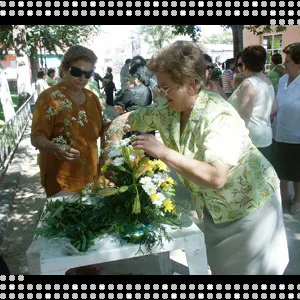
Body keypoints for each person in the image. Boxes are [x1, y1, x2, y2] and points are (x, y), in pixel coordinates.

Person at [105, 41, 289, 275]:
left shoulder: (217, 114)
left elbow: (216, 177)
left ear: (191, 84)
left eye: (166, 87)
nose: (161, 94)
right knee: (222, 268)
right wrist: (110, 157)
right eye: (159, 87)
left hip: (250, 209)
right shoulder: (167, 108)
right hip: (215, 207)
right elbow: (121, 122)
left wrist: (163, 152)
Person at [31, 45, 104, 197]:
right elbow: (36, 138)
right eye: (77, 72)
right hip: (61, 182)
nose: (82, 78)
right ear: (64, 69)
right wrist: (56, 147)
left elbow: (100, 130)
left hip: (91, 177)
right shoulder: (49, 98)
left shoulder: (92, 98)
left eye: (88, 74)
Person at [228, 45, 276, 162]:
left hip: (251, 140)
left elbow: (243, 117)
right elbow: (274, 109)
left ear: (245, 63)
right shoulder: (267, 81)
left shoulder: (249, 83)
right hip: (265, 135)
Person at [272, 42, 300, 214]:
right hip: (279, 133)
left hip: (297, 135)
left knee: (297, 172)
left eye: (288, 61)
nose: (284, 64)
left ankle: (298, 200)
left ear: (298, 63)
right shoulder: (282, 80)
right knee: (281, 171)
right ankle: (284, 198)